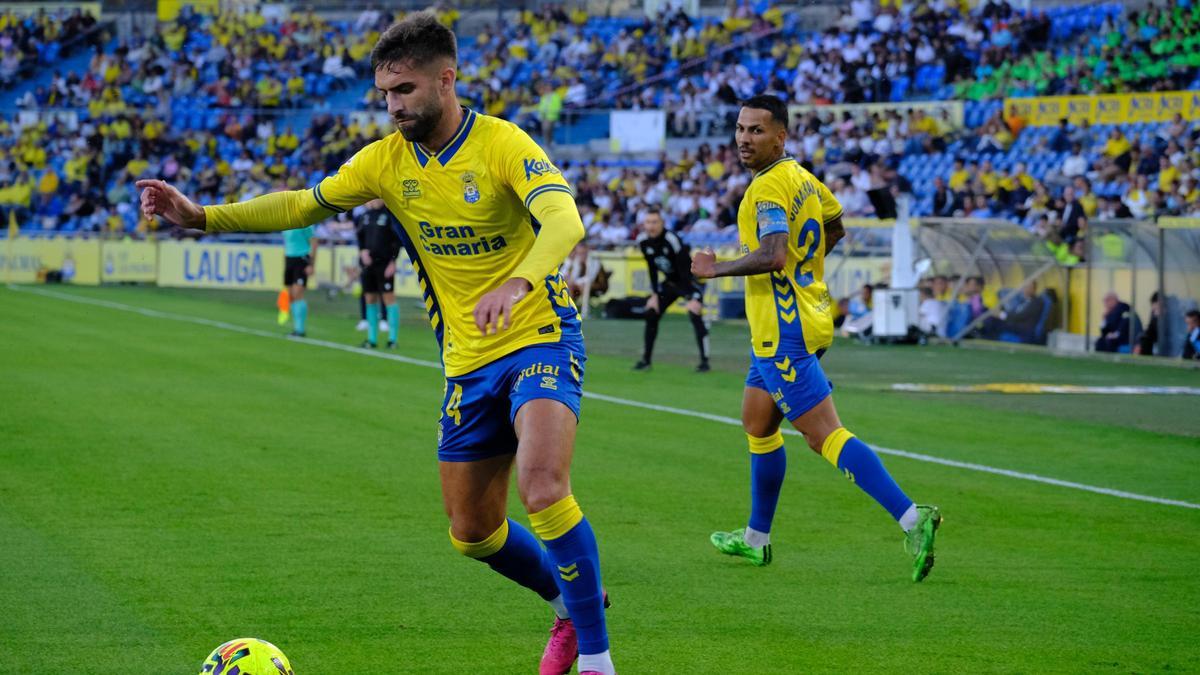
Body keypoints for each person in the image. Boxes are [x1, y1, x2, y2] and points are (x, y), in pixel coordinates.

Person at [137, 14, 616, 675]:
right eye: (385, 94)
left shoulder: (504, 144)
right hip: (466, 361)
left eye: (405, 90)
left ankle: (596, 656)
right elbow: (303, 204)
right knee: (472, 532)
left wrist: (520, 280)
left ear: (446, 81)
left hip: (540, 335)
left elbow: (565, 218)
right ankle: (568, 600)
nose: (393, 106)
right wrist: (201, 217)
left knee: (541, 484)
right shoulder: (385, 161)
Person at [691, 95, 941, 582]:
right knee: (758, 423)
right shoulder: (802, 177)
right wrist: (807, 272)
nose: (744, 138)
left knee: (822, 433)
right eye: (741, 129)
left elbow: (773, 255)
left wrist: (714, 269)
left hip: (784, 331)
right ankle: (756, 540)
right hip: (799, 317)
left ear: (780, 135)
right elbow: (836, 224)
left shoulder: (767, 191)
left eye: (757, 131)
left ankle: (914, 517)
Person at [634, 206, 711, 372]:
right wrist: (655, 294)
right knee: (651, 312)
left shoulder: (672, 239)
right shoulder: (643, 241)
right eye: (648, 222)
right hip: (669, 284)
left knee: (694, 313)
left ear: (662, 223)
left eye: (655, 222)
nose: (651, 226)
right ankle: (646, 361)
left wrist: (691, 297)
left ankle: (704, 361)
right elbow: (652, 268)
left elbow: (685, 271)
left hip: (688, 282)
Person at [355, 198, 402, 348]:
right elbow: (360, 237)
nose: (374, 200)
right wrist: (362, 252)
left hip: (385, 263)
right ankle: (372, 339)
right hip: (369, 264)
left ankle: (392, 339)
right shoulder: (366, 215)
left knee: (389, 299)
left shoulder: (390, 216)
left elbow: (397, 240)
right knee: (369, 299)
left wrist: (393, 261)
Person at [282, 224, 317, 337]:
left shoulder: (305, 222)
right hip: (289, 258)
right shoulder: (284, 222)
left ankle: (300, 329)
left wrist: (311, 264)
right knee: (291, 295)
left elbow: (314, 243)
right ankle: (296, 328)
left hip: (301, 259)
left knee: (298, 293)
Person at [1133, 291, 1161, 356]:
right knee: (1143, 339)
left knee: (1144, 341)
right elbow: (1150, 329)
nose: (1153, 308)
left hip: (1161, 340)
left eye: (1154, 305)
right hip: (1153, 339)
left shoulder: (1170, 315)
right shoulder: (1154, 314)